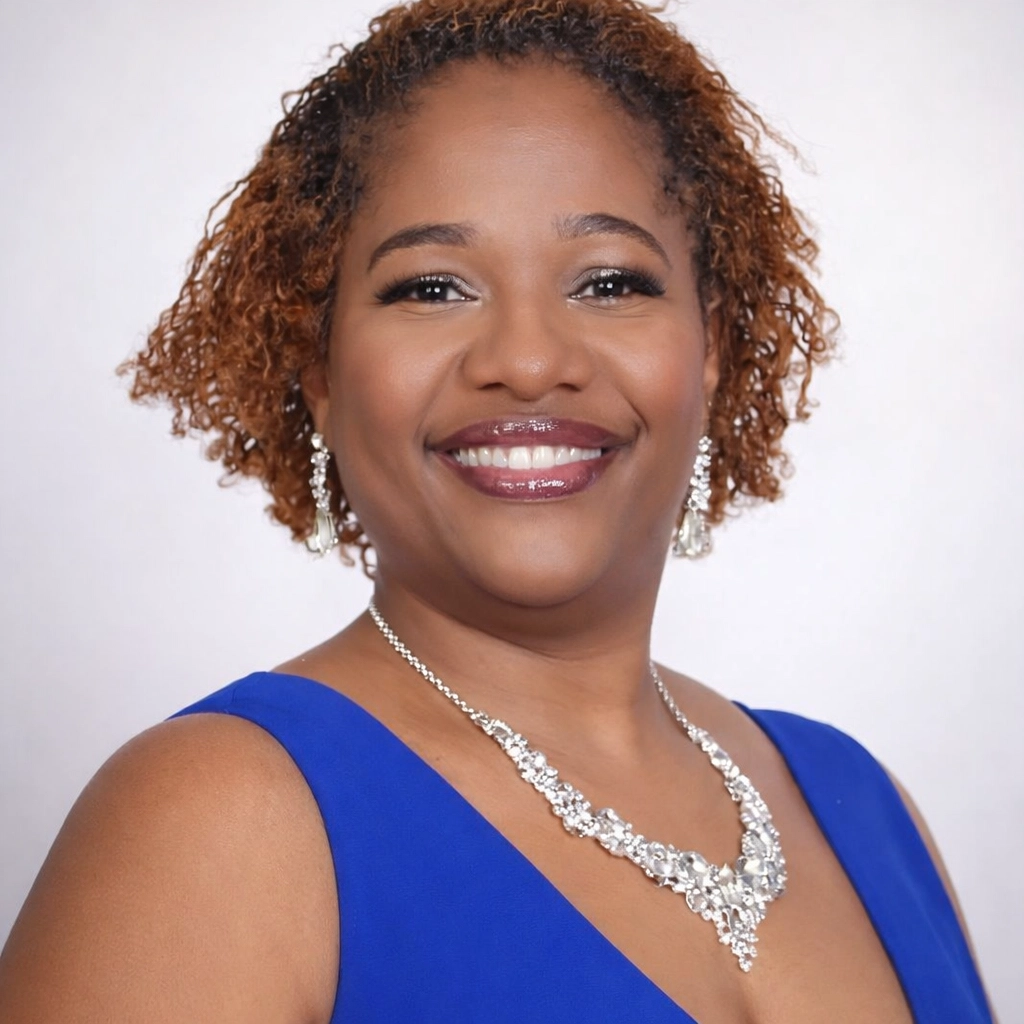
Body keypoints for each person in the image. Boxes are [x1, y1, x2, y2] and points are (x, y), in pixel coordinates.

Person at [0, 0, 996, 1020]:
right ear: (319, 372)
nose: (526, 361)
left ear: (712, 349)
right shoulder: (220, 822)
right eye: (432, 287)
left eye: (610, 280)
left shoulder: (863, 809)